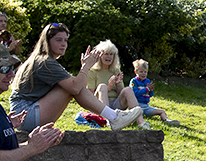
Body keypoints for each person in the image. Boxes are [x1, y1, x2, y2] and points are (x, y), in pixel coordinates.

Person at [9, 23, 142, 131]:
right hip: (24, 115)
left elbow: (80, 88)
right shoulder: (44, 62)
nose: (63, 44)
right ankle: (114, 118)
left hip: (27, 114)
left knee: (72, 85)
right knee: (70, 87)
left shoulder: (47, 61)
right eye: (58, 40)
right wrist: (85, 68)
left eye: (65, 40)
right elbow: (75, 88)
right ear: (47, 42)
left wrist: (85, 67)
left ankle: (113, 118)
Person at [84, 39, 140, 112]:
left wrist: (117, 84)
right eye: (106, 54)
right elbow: (91, 96)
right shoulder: (92, 71)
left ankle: (140, 121)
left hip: (116, 104)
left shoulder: (116, 70)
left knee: (128, 90)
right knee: (102, 86)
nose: (109, 57)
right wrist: (109, 87)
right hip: (99, 105)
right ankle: (107, 119)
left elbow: (121, 94)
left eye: (111, 54)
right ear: (100, 56)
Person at [129, 58, 179, 126]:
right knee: (137, 114)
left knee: (161, 111)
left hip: (146, 106)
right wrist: (147, 89)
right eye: (141, 72)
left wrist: (151, 90)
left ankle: (166, 120)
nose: (143, 74)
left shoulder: (147, 81)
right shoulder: (134, 81)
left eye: (145, 72)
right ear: (136, 72)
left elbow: (150, 95)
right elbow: (135, 94)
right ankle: (141, 122)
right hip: (137, 106)